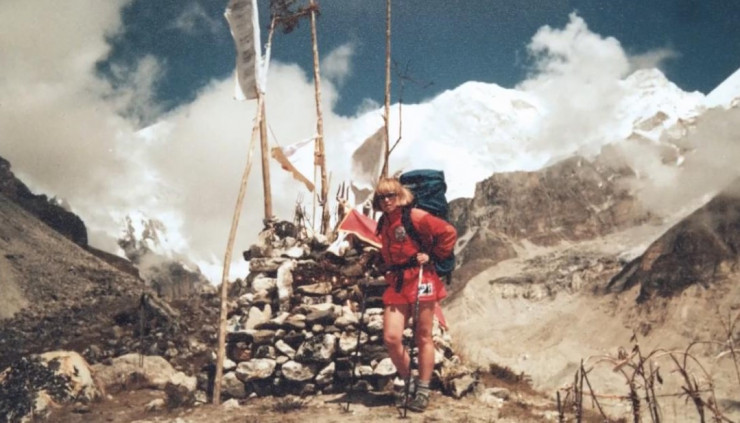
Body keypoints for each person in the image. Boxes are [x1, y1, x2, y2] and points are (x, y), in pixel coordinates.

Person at [372, 177, 457, 412]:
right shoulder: (383, 222)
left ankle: (422, 389)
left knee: (423, 337)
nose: (386, 200)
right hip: (398, 283)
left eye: (391, 195)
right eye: (382, 197)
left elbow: (448, 232)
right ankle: (410, 380)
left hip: (422, 279)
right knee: (391, 337)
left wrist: (433, 256)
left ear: (400, 195)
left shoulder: (415, 216)